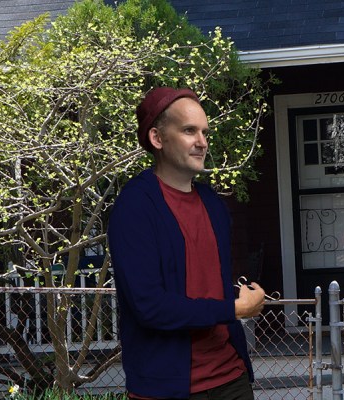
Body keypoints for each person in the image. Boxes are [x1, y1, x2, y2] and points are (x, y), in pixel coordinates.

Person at [108, 87, 266, 400]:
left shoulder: (213, 204)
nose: (202, 142)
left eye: (205, 132)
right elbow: (149, 307)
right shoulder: (135, 207)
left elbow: (208, 284)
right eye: (189, 131)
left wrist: (240, 297)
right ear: (157, 138)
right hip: (166, 387)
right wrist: (234, 308)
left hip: (231, 378)